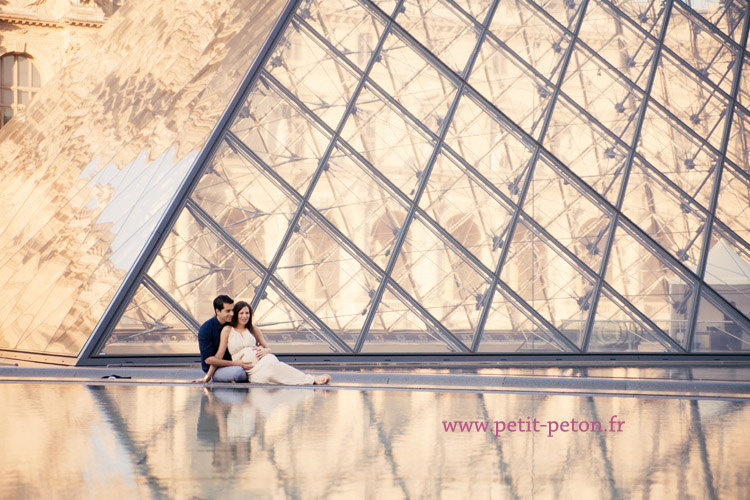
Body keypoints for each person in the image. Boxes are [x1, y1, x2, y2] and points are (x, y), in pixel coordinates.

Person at [206, 301, 331, 385]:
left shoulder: (254, 329)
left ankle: (311, 379)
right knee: (271, 373)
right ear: (236, 315)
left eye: (247, 313)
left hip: (265, 360)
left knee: (274, 366)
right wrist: (207, 377)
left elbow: (268, 348)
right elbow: (219, 355)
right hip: (252, 370)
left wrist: (265, 351)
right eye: (242, 313)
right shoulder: (227, 330)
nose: (245, 316)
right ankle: (311, 379)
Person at [198, 295, 252, 383]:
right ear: (217, 311)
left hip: (238, 364)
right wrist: (234, 363)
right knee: (239, 373)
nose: (232, 313)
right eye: (228, 311)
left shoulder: (235, 324)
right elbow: (208, 359)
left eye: (233, 310)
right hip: (216, 370)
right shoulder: (206, 329)